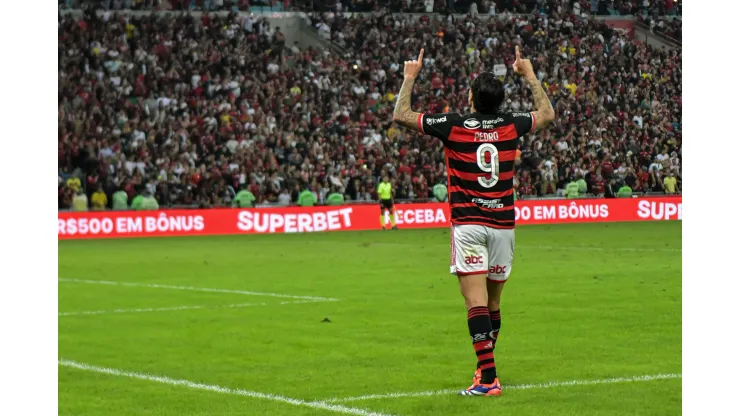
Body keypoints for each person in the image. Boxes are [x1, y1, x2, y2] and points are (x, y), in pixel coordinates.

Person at [392, 46, 555, 397]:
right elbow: (547, 113)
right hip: (503, 225)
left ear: (471, 98)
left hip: (468, 224)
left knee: (475, 304)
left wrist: (409, 78)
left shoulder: (453, 125)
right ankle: (484, 369)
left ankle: (488, 379)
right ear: (499, 102)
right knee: (493, 304)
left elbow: (401, 114)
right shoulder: (512, 123)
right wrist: (528, 74)